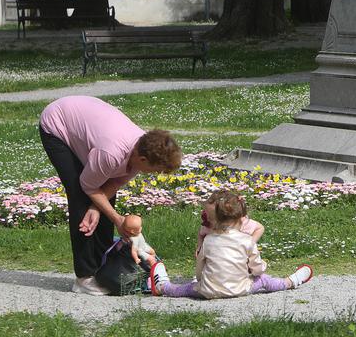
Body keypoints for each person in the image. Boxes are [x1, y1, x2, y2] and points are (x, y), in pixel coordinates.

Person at [38, 95, 183, 295]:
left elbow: (112, 183)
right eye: (156, 170)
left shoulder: (141, 149)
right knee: (80, 198)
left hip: (87, 123)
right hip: (57, 123)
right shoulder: (112, 154)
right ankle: (85, 277)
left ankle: (103, 268)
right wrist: (116, 219)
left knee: (102, 200)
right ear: (142, 159)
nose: (155, 174)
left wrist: (98, 207)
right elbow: (87, 186)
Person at [155, 190, 312, 299]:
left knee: (184, 289)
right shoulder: (247, 240)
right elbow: (257, 269)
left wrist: (199, 280)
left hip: (207, 291)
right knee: (263, 280)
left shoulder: (208, 240)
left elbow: (198, 268)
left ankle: (162, 286)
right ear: (240, 219)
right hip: (240, 289)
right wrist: (261, 267)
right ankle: (290, 282)